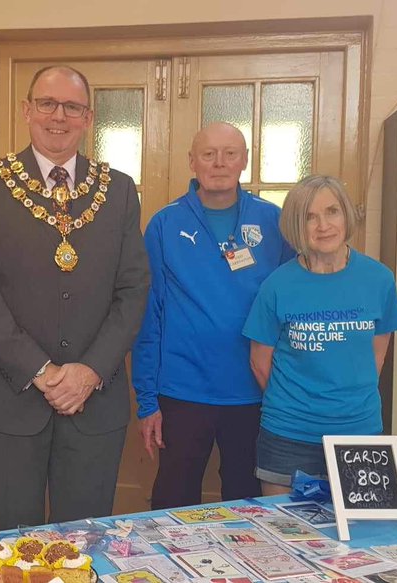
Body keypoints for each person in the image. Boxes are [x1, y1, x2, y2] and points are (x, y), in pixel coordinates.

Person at [0, 65, 149, 530]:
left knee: (83, 540)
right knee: (10, 540)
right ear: (27, 111)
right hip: (8, 400)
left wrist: (89, 371)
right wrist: (41, 371)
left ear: (87, 117)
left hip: (93, 401)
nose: (58, 116)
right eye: (47, 103)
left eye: (72, 107)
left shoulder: (118, 190)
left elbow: (133, 289)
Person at [131, 122, 295, 509]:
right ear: (192, 162)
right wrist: (147, 401)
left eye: (230, 153)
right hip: (183, 391)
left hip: (256, 390)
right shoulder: (164, 225)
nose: (219, 163)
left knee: (249, 505)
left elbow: (293, 306)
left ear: (245, 161)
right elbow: (147, 318)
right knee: (173, 501)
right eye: (208, 154)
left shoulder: (275, 222)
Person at [242, 175, 397, 495]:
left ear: (347, 215)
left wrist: (345, 405)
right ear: (295, 226)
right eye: (309, 217)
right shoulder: (277, 286)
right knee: (284, 539)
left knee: (362, 538)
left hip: (359, 432)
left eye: (332, 212)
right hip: (288, 435)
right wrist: (299, 407)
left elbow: (377, 355)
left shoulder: (379, 280)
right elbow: (259, 363)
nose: (323, 225)